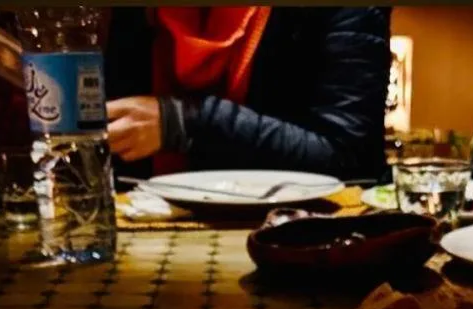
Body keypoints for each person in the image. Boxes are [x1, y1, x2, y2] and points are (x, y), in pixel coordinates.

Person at [103, 7, 391, 181]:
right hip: (157, 233)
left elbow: (350, 160)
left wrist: (187, 122)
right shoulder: (137, 14)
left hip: (307, 243)